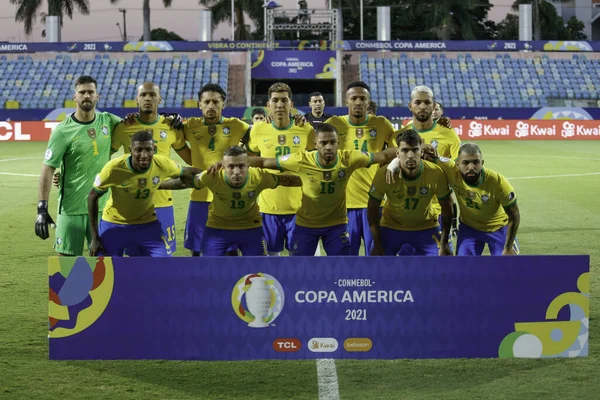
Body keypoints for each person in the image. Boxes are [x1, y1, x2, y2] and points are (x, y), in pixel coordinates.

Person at [249, 123, 397, 256]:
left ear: (338, 142)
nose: (328, 147)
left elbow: (382, 155)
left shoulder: (349, 158)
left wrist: (406, 150)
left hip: (336, 225)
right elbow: (263, 162)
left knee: (342, 268)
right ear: (315, 144)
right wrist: (234, 161)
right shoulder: (302, 160)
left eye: (332, 142)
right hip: (306, 225)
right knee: (299, 270)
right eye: (323, 143)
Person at [35, 75, 123, 256]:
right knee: (66, 262)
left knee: (105, 263)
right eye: (82, 92)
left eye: (91, 92)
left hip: (102, 207)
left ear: (97, 96)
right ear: (74, 97)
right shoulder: (62, 131)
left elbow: (134, 124)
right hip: (71, 208)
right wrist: (42, 207)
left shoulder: (108, 120)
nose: (87, 96)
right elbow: (48, 169)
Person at [173, 146, 302, 256]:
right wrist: (158, 184)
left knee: (260, 269)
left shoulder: (259, 176)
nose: (236, 172)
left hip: (250, 227)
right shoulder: (212, 176)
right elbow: (186, 183)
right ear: (223, 166)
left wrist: (314, 181)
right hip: (217, 228)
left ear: (248, 165)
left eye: (241, 166)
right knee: (209, 268)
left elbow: (286, 180)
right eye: (231, 166)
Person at [88, 130, 199, 256]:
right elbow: (92, 197)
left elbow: (187, 172)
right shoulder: (113, 169)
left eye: (148, 149)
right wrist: (95, 237)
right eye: (139, 150)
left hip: (146, 224)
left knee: (165, 264)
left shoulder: (163, 164)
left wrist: (212, 175)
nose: (144, 155)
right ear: (130, 150)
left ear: (154, 149)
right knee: (104, 267)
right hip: (114, 223)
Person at [110, 82, 191, 255]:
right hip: (133, 205)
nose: (148, 98)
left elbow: (192, 157)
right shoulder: (124, 127)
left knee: (164, 260)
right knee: (134, 259)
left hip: (162, 202)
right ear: (136, 99)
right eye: (144, 95)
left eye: (152, 95)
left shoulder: (170, 127)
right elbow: (101, 157)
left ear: (159, 99)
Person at [325, 81, 396, 256]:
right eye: (354, 98)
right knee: (345, 258)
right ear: (346, 101)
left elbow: (398, 148)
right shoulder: (333, 123)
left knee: (376, 256)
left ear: (368, 102)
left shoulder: (382, 124)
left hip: (374, 202)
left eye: (362, 98)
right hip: (343, 205)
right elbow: (310, 140)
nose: (358, 102)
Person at [247, 82, 316, 256]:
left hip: (299, 208)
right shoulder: (257, 130)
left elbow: (316, 163)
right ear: (268, 105)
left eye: (284, 100)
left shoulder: (305, 129)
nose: (279, 105)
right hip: (268, 207)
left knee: (300, 260)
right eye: (275, 100)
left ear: (291, 105)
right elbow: (251, 158)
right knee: (270, 260)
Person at [182, 83, 251, 256]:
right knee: (197, 250)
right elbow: (174, 141)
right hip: (199, 195)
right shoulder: (189, 126)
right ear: (199, 104)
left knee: (230, 249)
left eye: (215, 102)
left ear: (223, 104)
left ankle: (231, 283)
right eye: (206, 102)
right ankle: (197, 283)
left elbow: (258, 137)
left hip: (227, 196)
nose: (211, 106)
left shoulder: (237, 125)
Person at [369, 129, 453, 256]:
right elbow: (372, 207)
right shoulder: (384, 174)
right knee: (377, 264)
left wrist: (444, 243)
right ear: (397, 153)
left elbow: (447, 207)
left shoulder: (435, 173)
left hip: (426, 227)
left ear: (421, 151)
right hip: (391, 226)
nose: (410, 155)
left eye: (415, 150)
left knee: (440, 266)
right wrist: (377, 243)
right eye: (405, 150)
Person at [394, 85, 461, 242]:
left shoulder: (449, 135)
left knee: (442, 262)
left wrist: (438, 160)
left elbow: (459, 171)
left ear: (434, 105)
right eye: (418, 102)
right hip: (406, 210)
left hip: (439, 211)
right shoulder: (398, 137)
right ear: (410, 106)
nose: (422, 106)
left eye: (427, 102)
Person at [429, 143, 520, 255]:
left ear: (482, 163)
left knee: (507, 265)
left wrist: (508, 247)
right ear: (457, 164)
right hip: (469, 229)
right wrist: (422, 145)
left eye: (475, 162)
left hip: (499, 228)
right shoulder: (450, 169)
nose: (471, 167)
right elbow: (422, 155)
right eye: (466, 163)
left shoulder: (498, 182)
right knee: (463, 266)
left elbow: (514, 214)